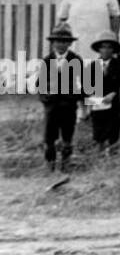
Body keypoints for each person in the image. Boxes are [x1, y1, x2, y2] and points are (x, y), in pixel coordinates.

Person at [37, 25, 84, 172]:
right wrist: (47, 100)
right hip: (51, 107)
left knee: (67, 137)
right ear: (53, 43)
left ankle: (66, 164)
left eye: (64, 42)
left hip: (68, 106)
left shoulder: (75, 60)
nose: (61, 44)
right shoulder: (47, 60)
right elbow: (40, 85)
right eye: (58, 41)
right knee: (49, 138)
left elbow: (85, 86)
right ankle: (50, 165)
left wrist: (72, 96)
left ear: (70, 43)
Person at [86, 36, 120, 154]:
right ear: (99, 50)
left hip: (113, 104)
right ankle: (100, 149)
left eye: (109, 47)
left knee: (113, 127)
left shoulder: (119, 66)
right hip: (97, 104)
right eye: (103, 47)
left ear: (113, 50)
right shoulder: (92, 66)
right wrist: (94, 99)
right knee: (98, 128)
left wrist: (113, 94)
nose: (106, 50)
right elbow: (86, 88)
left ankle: (113, 150)